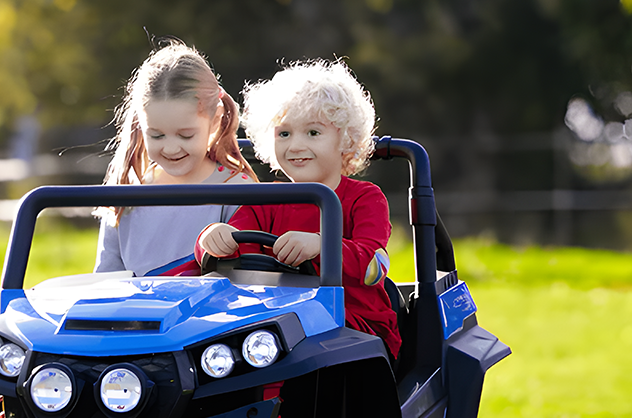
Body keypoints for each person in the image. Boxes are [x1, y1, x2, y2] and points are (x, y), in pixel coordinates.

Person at [197, 58, 401, 358]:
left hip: (353, 325)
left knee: (300, 337)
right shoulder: (265, 200)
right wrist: (213, 239)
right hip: (274, 320)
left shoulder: (364, 198)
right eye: (284, 133)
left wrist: (322, 246)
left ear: (346, 139)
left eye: (313, 133)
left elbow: (374, 266)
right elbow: (234, 243)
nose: (295, 146)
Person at [93, 42, 257, 277]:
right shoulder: (125, 191)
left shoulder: (237, 191)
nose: (170, 148)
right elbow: (106, 278)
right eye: (156, 135)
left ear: (215, 120)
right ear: (141, 125)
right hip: (136, 312)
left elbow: (252, 280)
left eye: (185, 135)